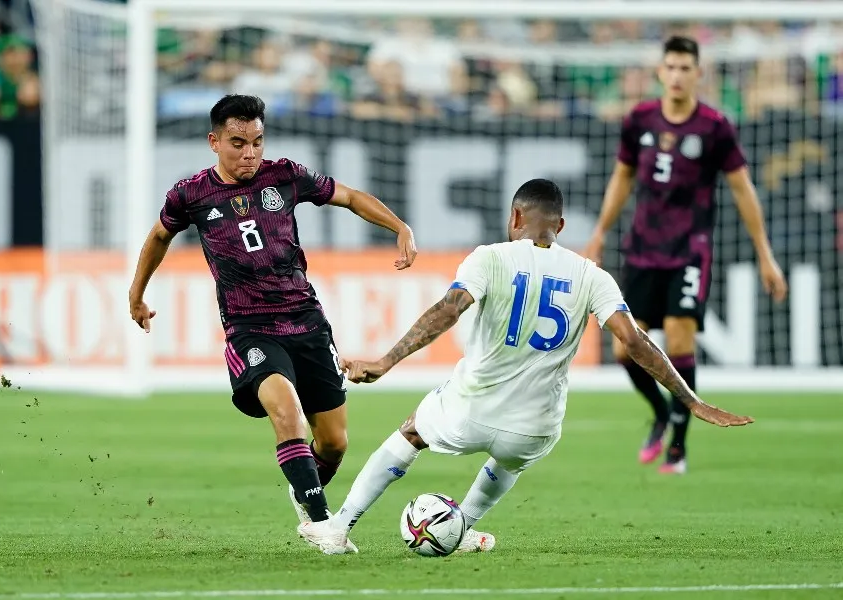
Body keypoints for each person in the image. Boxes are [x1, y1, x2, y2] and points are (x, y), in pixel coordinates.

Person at [297, 178, 753, 555]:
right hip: (535, 428)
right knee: (512, 457)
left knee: (411, 432)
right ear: (560, 225)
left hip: (469, 411)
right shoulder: (591, 274)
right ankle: (463, 526)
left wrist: (386, 361)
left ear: (515, 217)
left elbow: (449, 309)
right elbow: (634, 341)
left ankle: (340, 526)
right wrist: (690, 400)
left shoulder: (490, 257)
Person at [128, 94, 417, 552]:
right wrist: (137, 293)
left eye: (257, 142)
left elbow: (349, 197)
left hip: (305, 319)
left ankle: (303, 486)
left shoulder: (285, 175)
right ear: (214, 141)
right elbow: (160, 236)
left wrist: (399, 226)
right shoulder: (191, 194)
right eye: (238, 143)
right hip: (249, 328)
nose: (249, 154)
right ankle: (323, 524)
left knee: (336, 444)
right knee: (287, 412)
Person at [584, 37, 786, 474]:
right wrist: (599, 233)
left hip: (689, 249)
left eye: (685, 68)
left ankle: (678, 445)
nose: (677, 75)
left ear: (698, 73)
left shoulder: (714, 126)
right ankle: (661, 412)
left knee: (678, 338)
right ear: (661, 72)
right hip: (641, 248)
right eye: (670, 67)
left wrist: (765, 255)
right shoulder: (639, 119)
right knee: (625, 350)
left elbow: (742, 190)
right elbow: (622, 179)